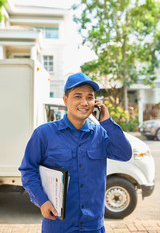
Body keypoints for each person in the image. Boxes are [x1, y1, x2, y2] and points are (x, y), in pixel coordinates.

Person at [19, 72, 132, 233]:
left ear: (96, 102)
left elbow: (125, 154)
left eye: (90, 97)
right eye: (77, 96)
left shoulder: (101, 134)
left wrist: (106, 121)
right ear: (66, 100)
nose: (84, 102)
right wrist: (42, 201)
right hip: (58, 225)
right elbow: (27, 170)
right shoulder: (44, 134)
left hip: (93, 226)